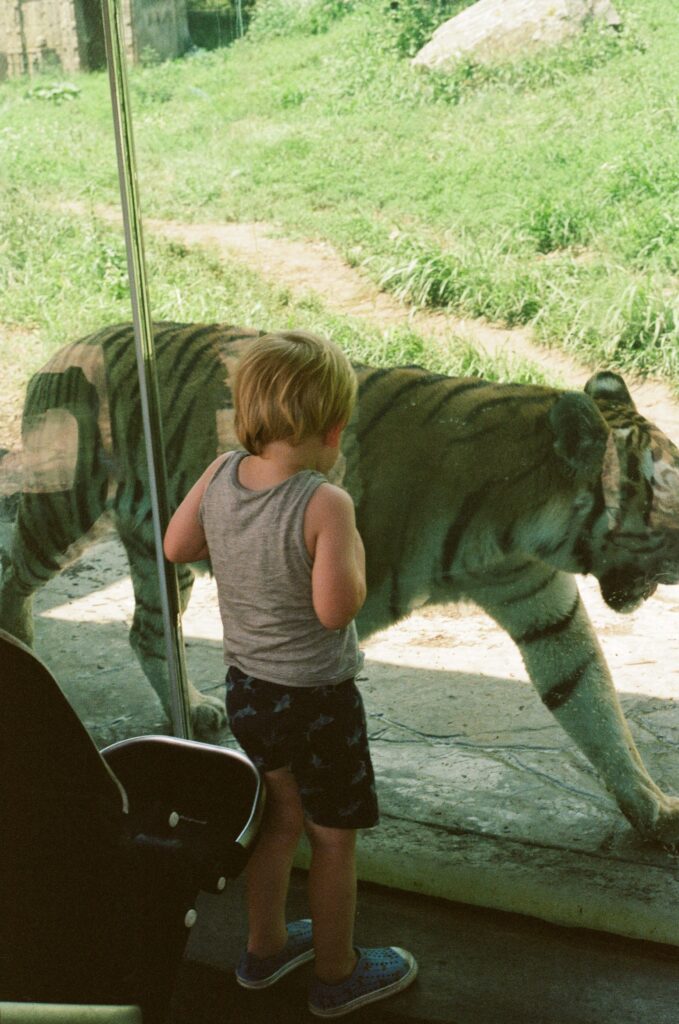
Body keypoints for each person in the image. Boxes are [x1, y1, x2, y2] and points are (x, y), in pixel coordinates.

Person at [164, 330, 418, 1018]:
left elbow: (176, 544)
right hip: (317, 702)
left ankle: (264, 947)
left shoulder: (219, 473)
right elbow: (336, 609)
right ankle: (336, 973)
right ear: (334, 427)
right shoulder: (323, 503)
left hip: (247, 689)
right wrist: (351, 552)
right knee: (332, 837)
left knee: (278, 821)